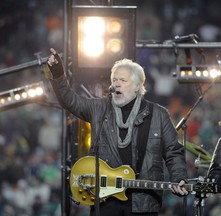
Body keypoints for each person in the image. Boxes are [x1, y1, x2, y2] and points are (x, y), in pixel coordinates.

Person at [47, 48, 188, 216]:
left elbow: (173, 151)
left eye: (123, 80)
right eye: (114, 80)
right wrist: (58, 74)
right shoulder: (100, 107)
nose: (117, 84)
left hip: (143, 202)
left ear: (137, 86)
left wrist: (179, 177)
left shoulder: (158, 114)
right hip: (106, 200)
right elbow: (70, 101)